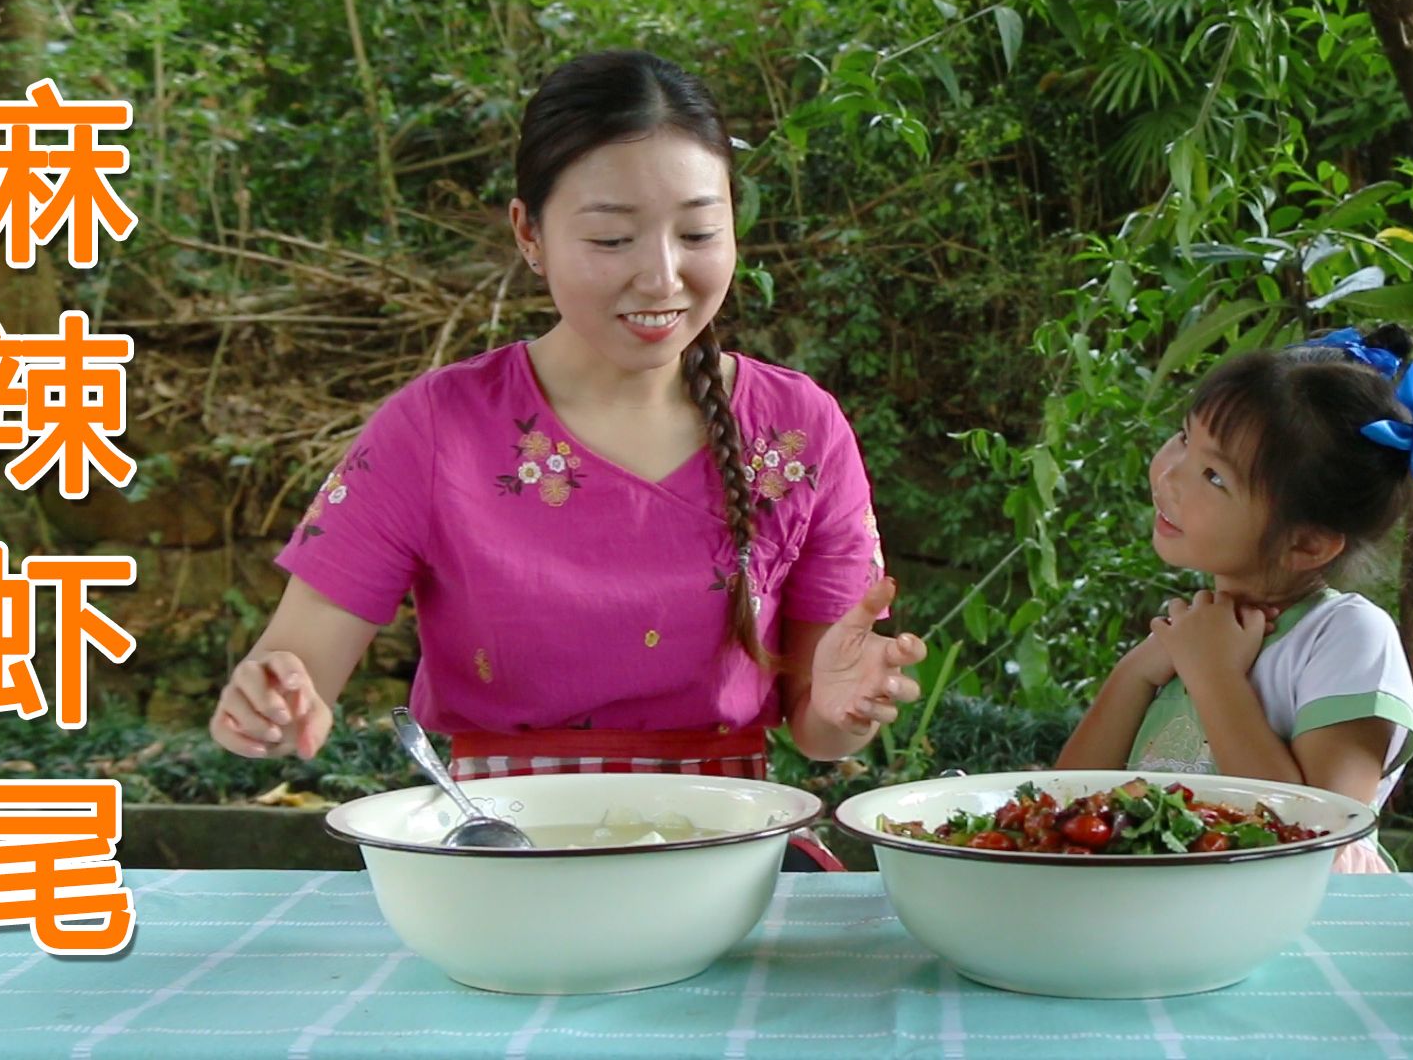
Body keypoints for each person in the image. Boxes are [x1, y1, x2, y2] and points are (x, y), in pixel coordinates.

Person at [208, 50, 926, 870]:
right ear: (529, 233)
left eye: (698, 231)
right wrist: (271, 698)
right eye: (612, 237)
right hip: (498, 855)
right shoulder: (437, 426)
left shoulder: (800, 429)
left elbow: (819, 723)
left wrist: (845, 707)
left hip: (733, 858)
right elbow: (297, 661)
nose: (662, 275)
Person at [1055, 324, 1413, 871]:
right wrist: (1140, 670)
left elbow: (1315, 840)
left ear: (1305, 542)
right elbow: (1064, 805)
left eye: (1214, 477)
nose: (1170, 476)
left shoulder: (1344, 636)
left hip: (1304, 940)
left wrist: (1214, 676)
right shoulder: (1194, 630)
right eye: (1185, 439)